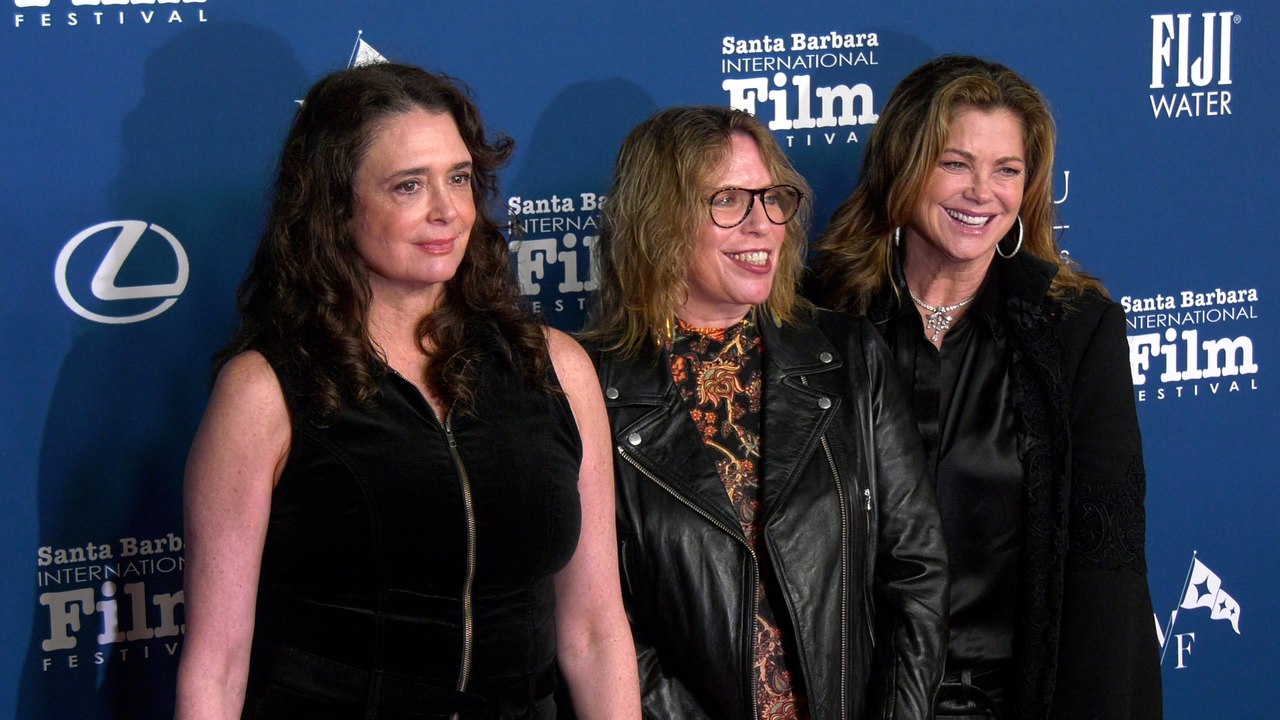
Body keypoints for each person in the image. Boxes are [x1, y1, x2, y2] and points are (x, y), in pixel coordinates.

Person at [174, 62, 640, 720]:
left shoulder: (553, 366)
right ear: (338, 206)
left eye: (458, 178)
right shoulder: (265, 391)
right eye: (408, 186)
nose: (447, 211)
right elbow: (216, 667)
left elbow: (594, 632)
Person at [814, 55, 1163, 719]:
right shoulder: (819, 321)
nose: (982, 192)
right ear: (902, 165)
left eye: (1007, 170)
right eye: (955, 164)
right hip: (853, 699)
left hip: (1011, 700)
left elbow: (1107, 562)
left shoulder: (1074, 332)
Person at [581, 105, 948, 719]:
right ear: (658, 221)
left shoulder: (849, 358)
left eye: (771, 197)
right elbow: (595, 620)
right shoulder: (587, 384)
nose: (762, 224)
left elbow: (916, 575)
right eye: (727, 199)